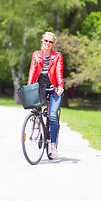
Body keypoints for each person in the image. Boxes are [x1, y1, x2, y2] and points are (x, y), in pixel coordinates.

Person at [27, 31, 64, 159]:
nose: (48, 43)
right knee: (34, 105)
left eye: (51, 42)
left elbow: (59, 73)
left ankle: (53, 147)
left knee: (52, 115)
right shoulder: (36, 55)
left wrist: (60, 86)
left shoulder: (57, 56)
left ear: (53, 44)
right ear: (43, 41)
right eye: (46, 41)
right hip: (41, 88)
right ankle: (37, 120)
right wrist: (29, 87)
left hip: (54, 89)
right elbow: (32, 72)